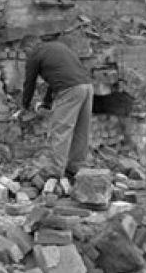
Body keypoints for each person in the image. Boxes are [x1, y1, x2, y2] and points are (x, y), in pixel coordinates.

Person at [19, 35, 94, 178]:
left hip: (69, 89)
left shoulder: (34, 54)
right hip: (87, 86)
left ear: (29, 47)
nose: (26, 56)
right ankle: (75, 168)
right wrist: (46, 103)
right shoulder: (57, 47)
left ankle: (55, 172)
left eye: (24, 52)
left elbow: (29, 83)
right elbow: (54, 81)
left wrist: (24, 106)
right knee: (80, 129)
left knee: (60, 130)